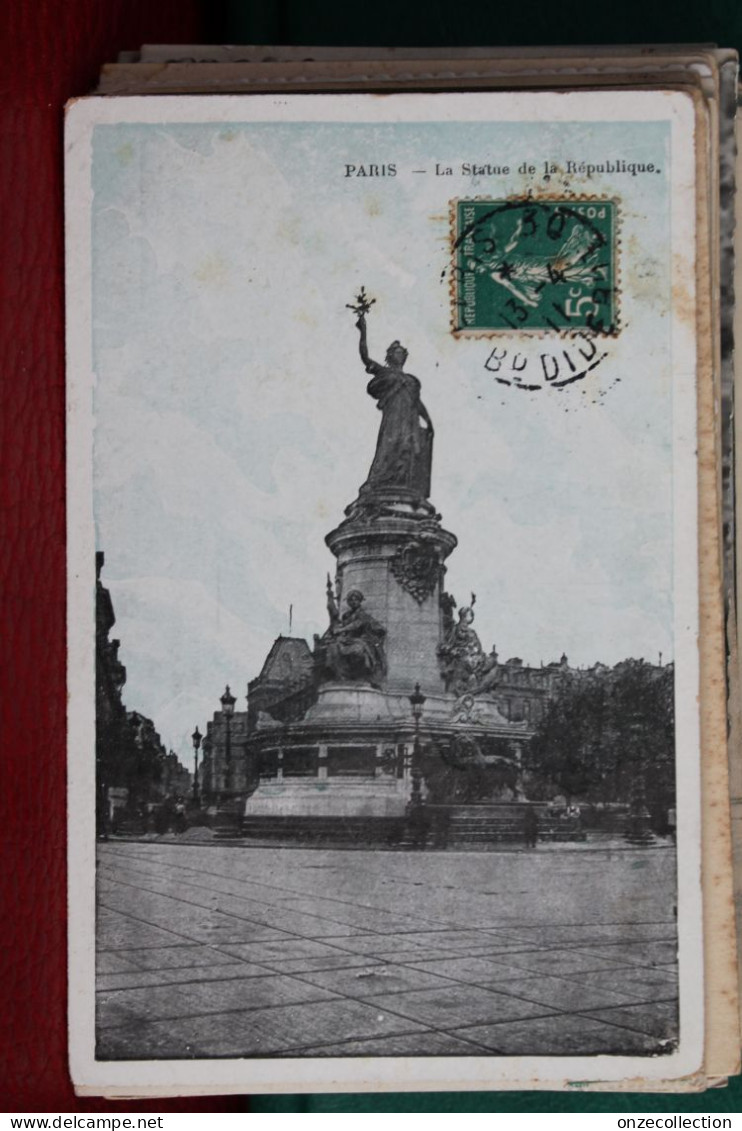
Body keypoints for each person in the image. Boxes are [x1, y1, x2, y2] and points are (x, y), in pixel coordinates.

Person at [355, 310, 434, 499]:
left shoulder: (411, 380)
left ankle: (402, 484)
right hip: (393, 418)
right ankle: (377, 482)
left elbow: (417, 402)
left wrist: (428, 420)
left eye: (402, 353)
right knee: (389, 447)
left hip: (409, 420)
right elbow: (365, 357)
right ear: (390, 356)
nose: (400, 356)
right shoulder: (384, 372)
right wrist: (362, 331)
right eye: (397, 353)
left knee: (408, 450)